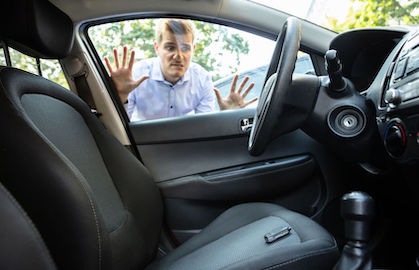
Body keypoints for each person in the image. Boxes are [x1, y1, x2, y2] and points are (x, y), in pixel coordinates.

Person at [105, 18, 257, 121]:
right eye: (170, 47)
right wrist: (121, 96)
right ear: (157, 48)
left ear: (193, 50)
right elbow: (121, 129)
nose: (178, 56)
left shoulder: (202, 79)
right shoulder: (137, 75)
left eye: (185, 48)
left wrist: (227, 117)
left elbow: (204, 129)